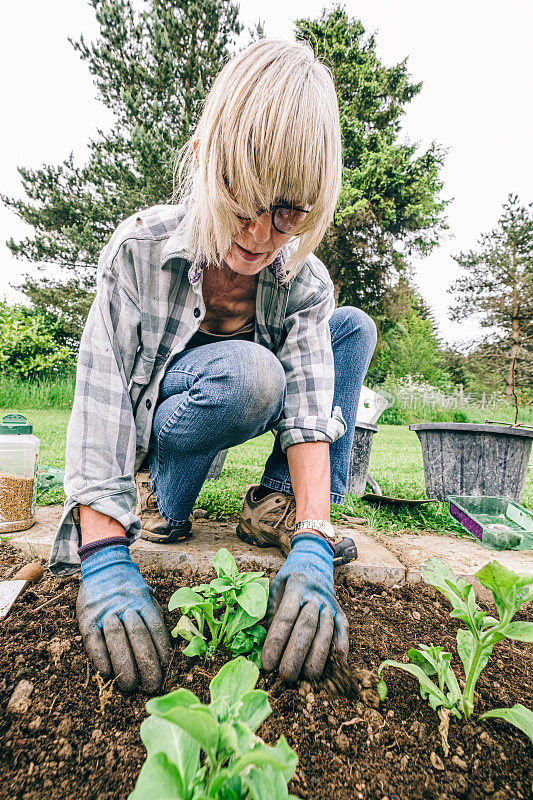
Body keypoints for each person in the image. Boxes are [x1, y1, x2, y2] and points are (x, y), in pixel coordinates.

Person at [49, 38, 377, 693]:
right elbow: (103, 394)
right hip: (179, 417)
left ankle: (277, 509)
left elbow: (312, 401)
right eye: (242, 203)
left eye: (286, 213)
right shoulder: (140, 252)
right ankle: (164, 500)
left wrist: (315, 536)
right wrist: (104, 548)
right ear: (203, 165)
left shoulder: (299, 277)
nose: (259, 236)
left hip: (236, 395)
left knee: (347, 328)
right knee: (252, 372)